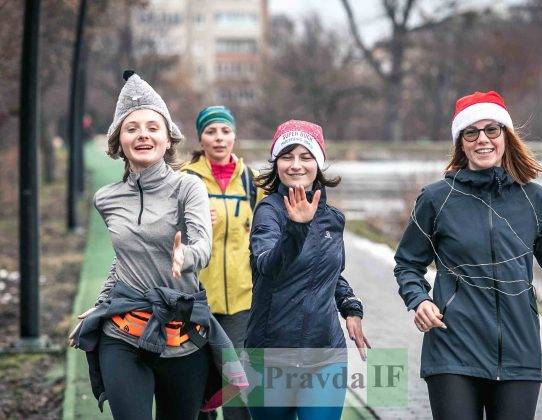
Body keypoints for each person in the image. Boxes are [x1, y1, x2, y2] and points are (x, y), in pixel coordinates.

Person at [394, 91, 542, 420]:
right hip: (452, 348)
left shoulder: (535, 200)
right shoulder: (435, 199)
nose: (482, 139)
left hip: (519, 351)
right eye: (471, 132)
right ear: (461, 143)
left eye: (492, 130)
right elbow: (408, 264)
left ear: (506, 136)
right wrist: (419, 300)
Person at [68, 71, 247, 420]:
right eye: (132, 128)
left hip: (182, 334)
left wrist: (185, 255)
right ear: (118, 142)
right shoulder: (106, 198)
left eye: (153, 127)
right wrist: (104, 302)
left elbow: (202, 246)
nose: (143, 135)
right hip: (123, 332)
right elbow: (123, 260)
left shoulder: (188, 187)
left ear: (168, 140)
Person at [244, 120, 369, 420]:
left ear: (319, 163)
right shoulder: (268, 212)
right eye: (287, 156)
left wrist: (350, 306)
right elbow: (267, 266)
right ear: (276, 164)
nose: (296, 165)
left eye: (306, 156)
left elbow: (330, 271)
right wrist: (296, 229)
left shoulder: (333, 218)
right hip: (271, 355)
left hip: (325, 353)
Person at [182, 106, 263, 420]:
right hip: (196, 298)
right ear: (200, 138)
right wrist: (188, 223)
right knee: (199, 381)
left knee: (238, 382)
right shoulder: (184, 180)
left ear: (234, 135)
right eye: (211, 131)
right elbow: (165, 234)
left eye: (225, 131)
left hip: (243, 299)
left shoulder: (252, 180)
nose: (219, 138)